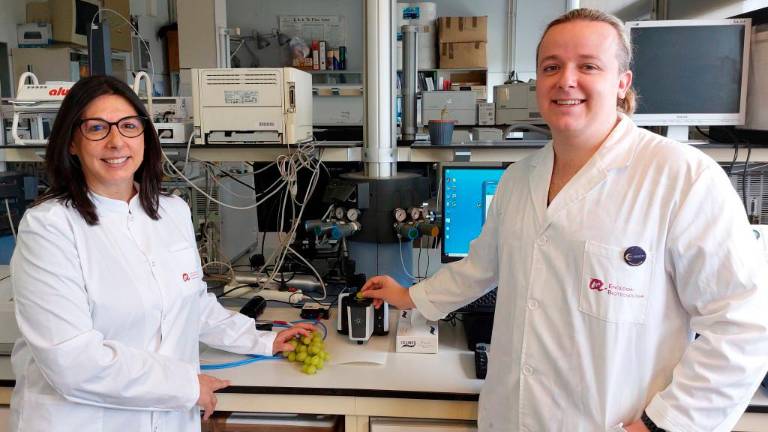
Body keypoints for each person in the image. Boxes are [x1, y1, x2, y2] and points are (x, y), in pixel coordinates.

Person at [362, 8, 768, 432]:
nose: (566, 80)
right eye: (551, 67)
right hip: (511, 417)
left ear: (622, 83)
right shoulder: (519, 179)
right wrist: (409, 296)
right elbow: (481, 268)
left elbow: (741, 327)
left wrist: (662, 425)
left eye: (588, 65)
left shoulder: (683, 177)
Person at [9, 75, 314, 431]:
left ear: (144, 136)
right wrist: (184, 386)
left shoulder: (171, 210)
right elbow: (72, 362)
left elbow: (191, 304)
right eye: (96, 128)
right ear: (72, 142)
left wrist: (262, 339)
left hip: (167, 419)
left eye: (128, 126)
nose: (116, 141)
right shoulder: (49, 227)